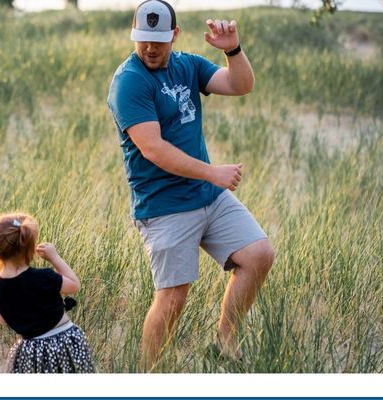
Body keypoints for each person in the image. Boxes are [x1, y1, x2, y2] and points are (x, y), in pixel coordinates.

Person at [107, 0, 275, 369]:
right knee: (172, 298)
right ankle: (148, 375)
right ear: (134, 36)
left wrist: (233, 49)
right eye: (143, 39)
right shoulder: (129, 81)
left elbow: (240, 85)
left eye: (159, 40)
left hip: (206, 196)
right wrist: (212, 173)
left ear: (174, 35)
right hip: (163, 205)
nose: (150, 48)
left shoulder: (188, 65)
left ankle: (225, 340)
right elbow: (153, 148)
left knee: (258, 255)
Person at [0, 213, 94, 373]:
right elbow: (74, 285)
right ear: (30, 250)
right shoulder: (43, 277)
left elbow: (1, 319)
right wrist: (54, 258)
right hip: (65, 341)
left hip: (29, 351)